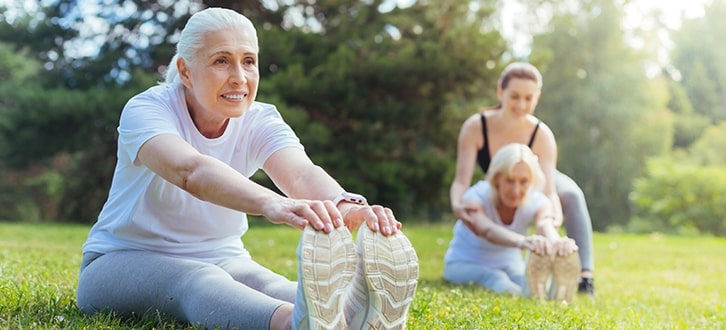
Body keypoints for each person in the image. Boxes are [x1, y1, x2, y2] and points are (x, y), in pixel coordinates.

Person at [75, 7, 418, 330]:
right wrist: (275, 204)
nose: (239, 78)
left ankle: (352, 313)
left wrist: (346, 205)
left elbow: (300, 174)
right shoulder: (147, 110)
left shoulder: (260, 119)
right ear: (185, 71)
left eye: (249, 61)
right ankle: (295, 324)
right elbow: (190, 171)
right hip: (119, 261)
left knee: (268, 283)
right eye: (221, 61)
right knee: (196, 280)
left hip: (222, 256)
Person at [449, 62, 595, 295]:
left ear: (537, 97)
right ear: (500, 92)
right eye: (514, 96)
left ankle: (584, 277)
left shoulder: (541, 134)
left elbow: (547, 189)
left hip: (535, 177)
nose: (521, 105)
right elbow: (461, 181)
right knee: (495, 201)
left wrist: (552, 223)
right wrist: (458, 204)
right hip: (498, 178)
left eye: (529, 98)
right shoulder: (477, 126)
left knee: (571, 194)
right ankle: (533, 271)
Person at [444, 143, 581, 302]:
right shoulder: (476, 196)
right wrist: (524, 242)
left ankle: (551, 291)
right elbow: (486, 230)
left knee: (524, 277)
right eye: (509, 180)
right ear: (496, 179)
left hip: (510, 265)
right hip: (463, 264)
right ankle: (521, 295)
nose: (516, 190)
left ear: (531, 182)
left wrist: (557, 241)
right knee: (495, 277)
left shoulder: (536, 199)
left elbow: (545, 223)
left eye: (524, 182)